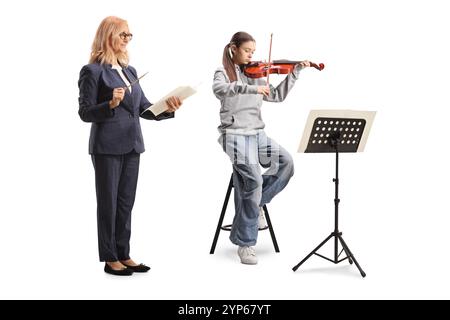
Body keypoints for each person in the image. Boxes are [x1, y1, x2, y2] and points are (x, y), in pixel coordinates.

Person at [78, 16, 182, 276]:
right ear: (109, 35)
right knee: (108, 203)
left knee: (125, 203)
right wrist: (110, 105)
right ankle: (110, 257)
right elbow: (85, 112)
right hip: (107, 147)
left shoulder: (130, 71)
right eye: (122, 34)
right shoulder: (93, 71)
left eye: (129, 35)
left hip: (133, 144)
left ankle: (123, 253)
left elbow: (144, 108)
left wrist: (167, 108)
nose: (127, 39)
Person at [212, 31, 311, 265]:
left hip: (257, 134)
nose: (251, 56)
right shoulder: (222, 73)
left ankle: (256, 204)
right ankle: (246, 243)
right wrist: (251, 89)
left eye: (253, 52)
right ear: (233, 49)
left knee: (286, 163)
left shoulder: (257, 73)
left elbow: (276, 96)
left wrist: (295, 73)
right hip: (234, 135)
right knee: (254, 180)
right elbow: (220, 89)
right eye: (247, 51)